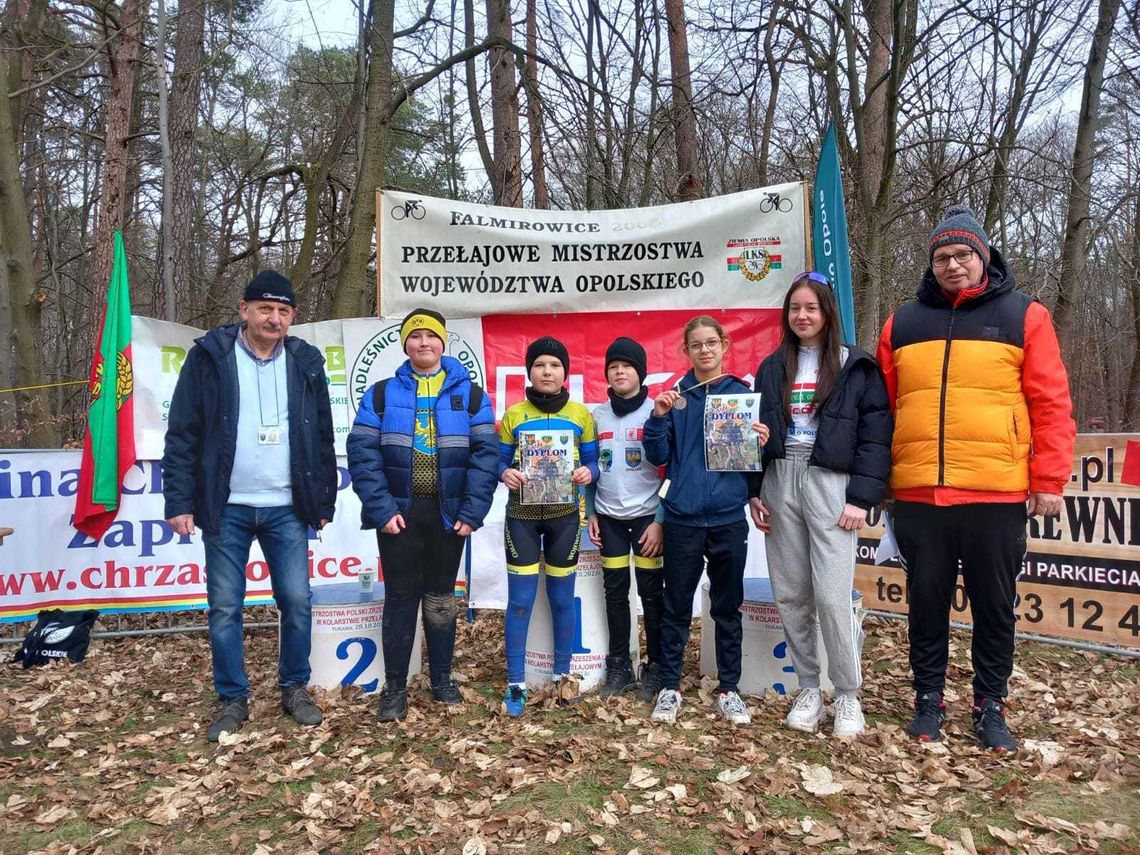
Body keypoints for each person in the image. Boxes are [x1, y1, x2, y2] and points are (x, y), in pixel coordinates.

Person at [876, 205, 1076, 752]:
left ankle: (991, 703)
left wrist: (1049, 479)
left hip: (997, 490)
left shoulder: (1024, 315)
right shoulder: (902, 322)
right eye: (942, 257)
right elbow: (882, 410)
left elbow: (1051, 403)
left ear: (983, 256)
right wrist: (879, 480)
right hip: (918, 493)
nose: (953, 265)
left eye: (963, 254)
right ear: (931, 263)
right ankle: (927, 698)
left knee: (993, 604)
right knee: (926, 601)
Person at [162, 270, 336, 742]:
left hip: (287, 507)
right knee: (224, 607)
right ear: (244, 310)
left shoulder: (306, 362)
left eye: (283, 311)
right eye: (265, 309)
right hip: (227, 507)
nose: (273, 318)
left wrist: (324, 498)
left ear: (292, 317)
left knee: (297, 602)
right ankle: (233, 697)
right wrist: (179, 500)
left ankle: (294, 689)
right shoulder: (209, 358)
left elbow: (322, 435)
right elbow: (182, 434)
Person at [751, 272, 892, 738]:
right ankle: (809, 687)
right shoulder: (772, 366)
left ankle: (848, 694)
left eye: (811, 308)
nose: (803, 316)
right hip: (780, 477)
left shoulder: (857, 365)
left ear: (827, 312)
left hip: (830, 481)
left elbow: (875, 437)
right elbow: (758, 433)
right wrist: (755, 487)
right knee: (791, 592)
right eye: (795, 309)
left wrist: (860, 498)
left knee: (832, 596)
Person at [346, 308, 499, 721]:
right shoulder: (380, 393)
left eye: (431, 336)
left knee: (440, 597)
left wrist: (473, 510)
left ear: (443, 342)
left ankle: (443, 680)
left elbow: (487, 457)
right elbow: (361, 454)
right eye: (415, 337)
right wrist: (381, 509)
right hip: (399, 514)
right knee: (399, 598)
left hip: (450, 515)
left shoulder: (470, 395)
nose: (424, 343)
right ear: (405, 344)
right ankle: (394, 687)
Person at [642, 316, 770, 725]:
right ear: (687, 350)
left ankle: (729, 689)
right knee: (677, 607)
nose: (704, 351)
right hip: (682, 517)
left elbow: (752, 465)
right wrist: (659, 417)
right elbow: (658, 457)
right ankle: (669, 687)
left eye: (711, 343)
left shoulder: (742, 395)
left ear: (725, 344)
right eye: (696, 345)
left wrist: (760, 445)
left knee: (727, 607)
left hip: (728, 517)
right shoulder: (675, 397)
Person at [498, 337, 599, 717]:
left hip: (564, 517)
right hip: (521, 518)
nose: (547, 371)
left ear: (564, 373)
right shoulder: (513, 414)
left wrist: (590, 471)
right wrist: (504, 472)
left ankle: (563, 676)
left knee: (560, 599)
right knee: (521, 602)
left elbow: (594, 463)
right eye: (540, 365)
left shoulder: (580, 415)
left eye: (554, 366)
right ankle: (516, 683)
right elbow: (498, 462)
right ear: (530, 371)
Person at [585, 337, 665, 700]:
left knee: (651, 594)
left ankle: (657, 665)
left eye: (627, 366)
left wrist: (660, 519)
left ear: (641, 373)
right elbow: (589, 467)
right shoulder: (596, 415)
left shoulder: (657, 412)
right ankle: (619, 665)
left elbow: (671, 469)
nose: (619, 371)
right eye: (613, 366)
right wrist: (591, 511)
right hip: (610, 519)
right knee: (616, 593)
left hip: (647, 518)